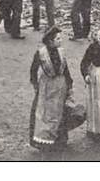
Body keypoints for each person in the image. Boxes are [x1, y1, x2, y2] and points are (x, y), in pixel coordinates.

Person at [29, 25, 74, 156]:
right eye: (58, 39)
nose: (60, 41)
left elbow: (66, 69)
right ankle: (43, 142)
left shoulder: (61, 52)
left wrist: (69, 84)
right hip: (46, 86)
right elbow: (33, 70)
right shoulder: (41, 53)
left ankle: (60, 140)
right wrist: (36, 85)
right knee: (45, 113)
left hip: (60, 85)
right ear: (50, 41)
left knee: (61, 112)